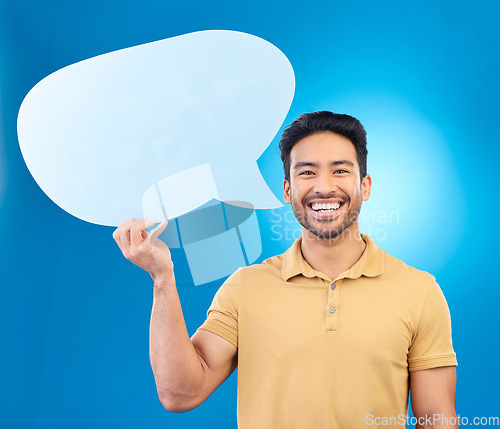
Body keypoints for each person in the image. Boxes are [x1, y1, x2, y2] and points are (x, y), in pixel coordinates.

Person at [113, 111, 458, 429]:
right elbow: (180, 394)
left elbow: (437, 419)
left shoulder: (419, 291)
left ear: (364, 186)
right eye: (307, 172)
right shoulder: (244, 288)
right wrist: (162, 278)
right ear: (288, 190)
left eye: (340, 170)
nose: (324, 186)